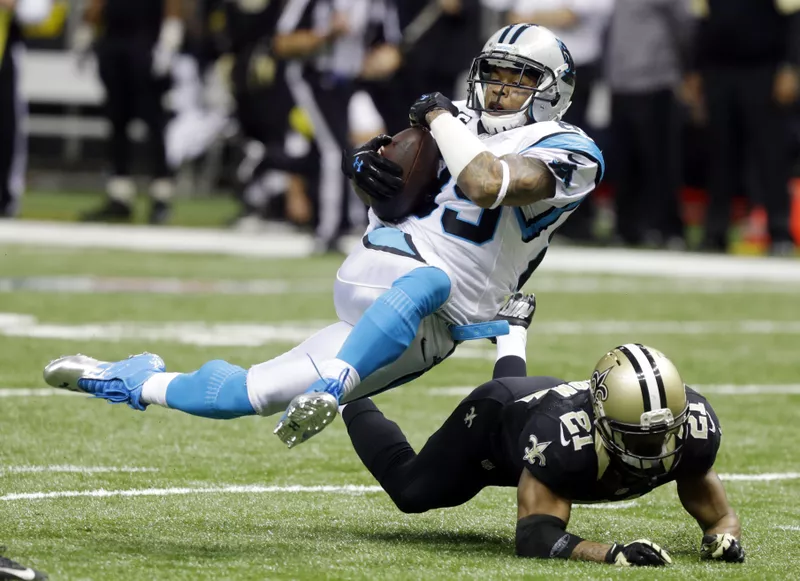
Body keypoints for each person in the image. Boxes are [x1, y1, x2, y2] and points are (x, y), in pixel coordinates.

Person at [42, 24, 604, 451]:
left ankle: (129, 380)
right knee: (432, 277)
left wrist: (437, 118)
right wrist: (365, 174)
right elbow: (389, 190)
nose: (503, 89)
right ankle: (333, 387)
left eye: (522, 77)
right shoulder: (452, 121)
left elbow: (486, 184)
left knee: (248, 395)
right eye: (496, 72)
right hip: (389, 271)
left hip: (435, 326)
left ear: (555, 90)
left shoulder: (571, 150)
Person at [343, 298, 745, 567]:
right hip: (494, 423)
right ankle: (347, 395)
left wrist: (724, 540)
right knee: (411, 491)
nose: (654, 449)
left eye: (661, 435)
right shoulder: (562, 438)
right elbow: (535, 538)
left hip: (533, 410)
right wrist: (610, 554)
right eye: (638, 438)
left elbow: (721, 517)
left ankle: (510, 335)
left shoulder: (693, 427)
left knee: (526, 422)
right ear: (600, 421)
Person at [75, 0, 186, 225]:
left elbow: (172, 7)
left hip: (145, 45)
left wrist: (168, 43)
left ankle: (161, 195)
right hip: (114, 44)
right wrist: (85, 34)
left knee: (154, 126)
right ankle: (119, 195)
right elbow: (96, 5)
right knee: (116, 123)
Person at [605, 0, 694, 249]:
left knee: (660, 160)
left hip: (656, 80)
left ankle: (668, 227)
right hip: (620, 81)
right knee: (624, 161)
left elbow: (685, 26)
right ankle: (626, 227)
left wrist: (686, 68)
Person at [0, 0, 52, 218]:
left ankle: (5, 195)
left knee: (6, 127)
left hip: (5, 55)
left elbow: (38, 11)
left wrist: (15, 6)